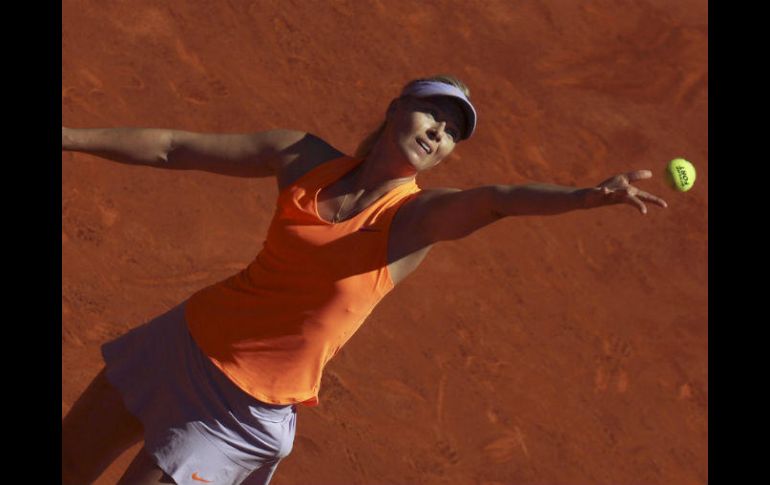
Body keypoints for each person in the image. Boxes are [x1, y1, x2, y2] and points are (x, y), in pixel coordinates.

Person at [61, 74, 667, 485]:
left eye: (454, 132)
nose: (440, 133)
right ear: (395, 109)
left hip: (238, 413)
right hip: (185, 342)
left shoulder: (413, 220)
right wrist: (67, 137)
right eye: (434, 113)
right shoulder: (303, 157)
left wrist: (586, 197)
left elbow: (497, 200)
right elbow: (172, 147)